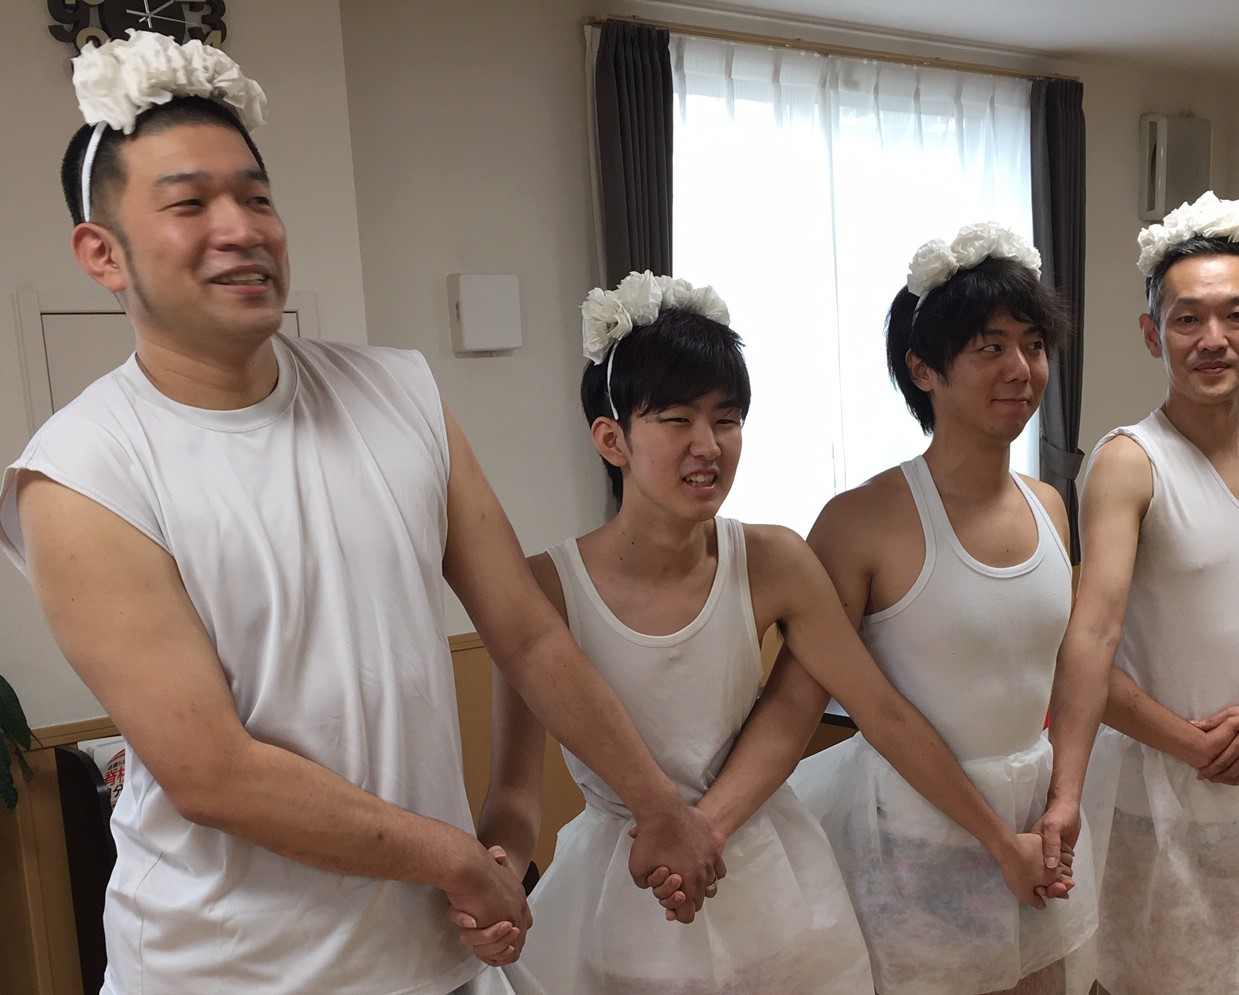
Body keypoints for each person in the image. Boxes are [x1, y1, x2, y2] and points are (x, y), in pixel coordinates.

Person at [0, 32, 722, 995]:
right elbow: (212, 771)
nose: (241, 228)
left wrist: (653, 804)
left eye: (257, 197)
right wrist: (455, 855)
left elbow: (526, 632)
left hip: (434, 955)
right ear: (103, 253)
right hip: (226, 970)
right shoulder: (80, 474)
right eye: (189, 203)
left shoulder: (398, 392)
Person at [479, 269, 1070, 995]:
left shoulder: (774, 559)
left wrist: (706, 829)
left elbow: (875, 710)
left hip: (762, 873)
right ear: (612, 439)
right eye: (676, 420)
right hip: (619, 882)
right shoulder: (541, 588)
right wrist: (498, 869)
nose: (707, 444)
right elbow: (512, 795)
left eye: (726, 420)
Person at [786, 224, 1097, 995]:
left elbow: (1068, 667)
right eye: (990, 347)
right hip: (914, 841)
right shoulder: (859, 521)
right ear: (922, 368)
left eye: (1032, 345)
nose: (1020, 368)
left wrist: (1062, 798)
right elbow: (815, 700)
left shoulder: (1050, 505)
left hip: (1038, 823)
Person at [1045, 191, 1239, 994]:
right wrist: (1192, 745)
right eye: (1185, 319)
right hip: (1154, 786)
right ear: (1151, 333)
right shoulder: (1129, 461)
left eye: (1234, 315)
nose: (1212, 339)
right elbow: (1088, 640)